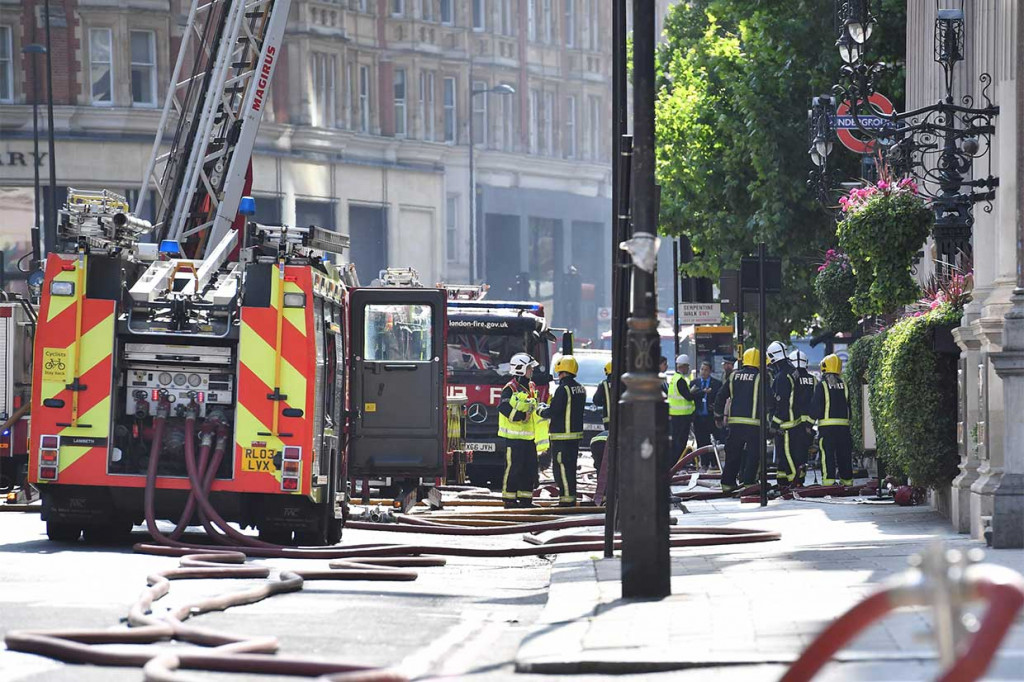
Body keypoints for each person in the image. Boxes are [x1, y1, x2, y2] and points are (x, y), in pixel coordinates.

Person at [539, 355, 587, 506]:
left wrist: (540, 410)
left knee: (561, 470)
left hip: (562, 437)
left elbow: (554, 411)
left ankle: (565, 500)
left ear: (562, 372)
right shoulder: (581, 388)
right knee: (571, 468)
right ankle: (570, 497)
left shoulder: (562, 389)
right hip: (575, 437)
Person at [717, 347, 764, 493]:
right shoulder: (761, 377)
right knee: (752, 454)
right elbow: (769, 400)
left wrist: (718, 415)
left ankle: (727, 483)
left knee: (733, 453)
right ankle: (749, 483)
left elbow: (720, 396)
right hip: (753, 424)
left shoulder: (733, 376)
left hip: (735, 424)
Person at [498, 352, 539, 508]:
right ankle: (509, 499)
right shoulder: (510, 388)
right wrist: (521, 415)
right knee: (513, 468)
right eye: (529, 368)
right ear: (520, 369)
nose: (532, 371)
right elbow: (503, 407)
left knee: (529, 468)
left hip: (529, 438)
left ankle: (525, 499)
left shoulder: (531, 386)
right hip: (513, 438)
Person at [811, 354, 854, 486]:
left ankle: (828, 482)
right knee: (844, 455)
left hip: (827, 429)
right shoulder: (844, 385)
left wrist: (809, 424)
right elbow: (849, 408)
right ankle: (847, 482)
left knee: (828, 455)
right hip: (844, 428)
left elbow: (815, 407)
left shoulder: (821, 386)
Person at [766, 340, 801, 487]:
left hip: (785, 425)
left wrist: (774, 424)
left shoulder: (781, 377)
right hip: (794, 422)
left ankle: (794, 482)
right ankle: (782, 481)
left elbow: (782, 403)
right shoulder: (793, 370)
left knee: (786, 455)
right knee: (784, 455)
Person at [788, 349, 817, 484]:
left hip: (794, 423)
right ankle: (801, 479)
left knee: (791, 453)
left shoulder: (791, 379)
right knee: (803, 454)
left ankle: (793, 478)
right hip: (809, 425)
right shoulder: (814, 380)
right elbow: (817, 402)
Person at [690, 361, 722, 469]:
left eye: (706, 370)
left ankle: (714, 463)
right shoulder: (694, 383)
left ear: (710, 371)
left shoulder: (716, 384)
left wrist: (715, 407)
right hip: (698, 417)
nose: (703, 372)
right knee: (701, 440)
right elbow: (691, 397)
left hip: (710, 417)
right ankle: (704, 463)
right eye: (702, 369)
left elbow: (720, 398)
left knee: (713, 440)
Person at [667, 354, 696, 467]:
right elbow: (687, 396)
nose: (688, 369)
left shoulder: (674, 379)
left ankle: (672, 464)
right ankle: (676, 464)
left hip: (675, 415)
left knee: (675, 442)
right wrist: (698, 393)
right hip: (682, 416)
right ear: (683, 366)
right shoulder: (681, 380)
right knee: (680, 443)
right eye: (687, 366)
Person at [592, 360, 613, 428]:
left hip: (608, 419)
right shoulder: (622, 382)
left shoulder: (603, 384)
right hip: (621, 419)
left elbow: (596, 400)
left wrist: (604, 402)